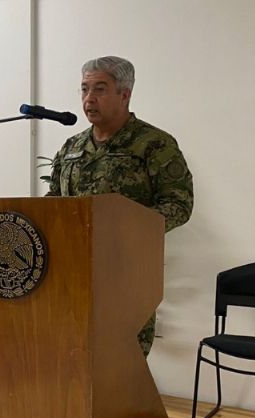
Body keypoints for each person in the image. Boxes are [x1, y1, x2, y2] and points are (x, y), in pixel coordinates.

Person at [47, 56, 194, 356]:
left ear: (124, 94)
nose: (89, 98)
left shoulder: (153, 144)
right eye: (84, 89)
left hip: (127, 271)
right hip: (73, 271)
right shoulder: (71, 148)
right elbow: (54, 201)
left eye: (100, 89)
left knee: (123, 362)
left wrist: (128, 228)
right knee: (73, 354)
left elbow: (179, 203)